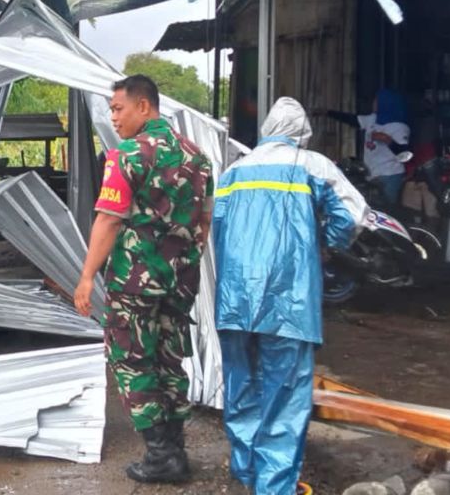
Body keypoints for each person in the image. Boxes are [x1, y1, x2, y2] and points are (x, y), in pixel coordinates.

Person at [212, 97, 368, 495]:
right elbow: (352, 214)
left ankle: (247, 470)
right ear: (301, 135)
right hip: (289, 299)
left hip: (235, 298)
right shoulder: (311, 165)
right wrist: (326, 244)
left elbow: (216, 229)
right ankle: (275, 486)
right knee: (284, 395)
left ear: (267, 130)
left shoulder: (233, 172)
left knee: (241, 385)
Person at [73, 75, 213, 484]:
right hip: (180, 281)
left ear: (144, 107)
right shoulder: (197, 157)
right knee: (169, 360)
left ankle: (159, 456)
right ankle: (176, 449)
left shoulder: (127, 155)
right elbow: (204, 221)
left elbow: (109, 218)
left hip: (134, 283)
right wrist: (181, 263)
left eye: (118, 109)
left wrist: (86, 277)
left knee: (132, 360)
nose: (113, 117)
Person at [328, 88, 410, 204]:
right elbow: (353, 120)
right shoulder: (373, 119)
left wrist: (388, 140)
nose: (374, 103)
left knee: (386, 208)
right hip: (371, 173)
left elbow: (403, 153)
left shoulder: (399, 127)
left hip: (389, 174)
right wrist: (327, 112)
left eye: (377, 100)